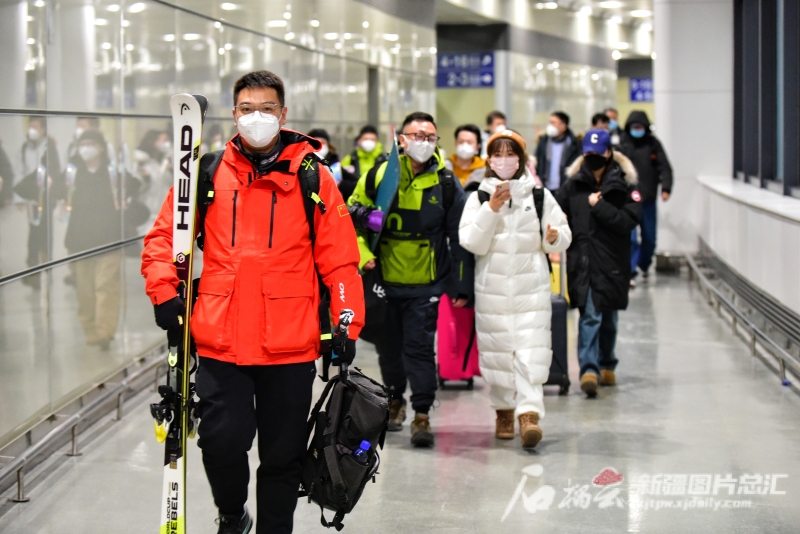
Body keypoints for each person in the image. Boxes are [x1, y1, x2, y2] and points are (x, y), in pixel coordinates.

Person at [141, 70, 365, 534]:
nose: (256, 117)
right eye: (247, 109)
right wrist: (165, 292)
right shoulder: (205, 174)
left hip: (291, 343)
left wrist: (346, 325)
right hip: (221, 340)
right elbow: (165, 237)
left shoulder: (313, 178)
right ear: (234, 113)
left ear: (283, 115)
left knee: (282, 457)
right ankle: (232, 513)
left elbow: (341, 262)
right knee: (220, 444)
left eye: (266, 109)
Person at [347, 111, 474, 448]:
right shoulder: (379, 175)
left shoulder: (446, 183)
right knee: (389, 349)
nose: (423, 142)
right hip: (384, 279)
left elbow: (459, 237)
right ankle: (394, 401)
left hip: (427, 282)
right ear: (401, 139)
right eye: (416, 135)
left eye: (430, 137)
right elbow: (351, 217)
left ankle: (421, 412)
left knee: (418, 348)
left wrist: (461, 285)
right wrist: (363, 255)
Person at [459, 129, 571, 448]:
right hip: (491, 289)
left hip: (531, 289)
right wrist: (491, 209)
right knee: (497, 357)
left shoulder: (538, 195)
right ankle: (504, 410)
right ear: (489, 159)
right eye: (498, 154)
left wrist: (553, 238)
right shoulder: (478, 196)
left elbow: (563, 233)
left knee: (531, 352)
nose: (504, 160)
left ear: (521, 160)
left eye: (511, 154)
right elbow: (471, 242)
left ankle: (529, 415)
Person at [557, 129, 641, 398]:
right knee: (590, 315)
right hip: (584, 262)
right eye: (588, 154)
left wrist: (599, 207)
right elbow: (555, 211)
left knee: (609, 318)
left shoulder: (625, 185)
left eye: (598, 154)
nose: (593, 158)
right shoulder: (572, 185)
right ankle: (588, 370)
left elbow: (628, 221)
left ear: (609, 153)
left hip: (613, 262)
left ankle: (607, 363)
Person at [65, 130, 128, 350]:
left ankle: (104, 332)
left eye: (91, 143)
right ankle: (90, 329)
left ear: (101, 147)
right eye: (82, 144)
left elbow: (134, 187)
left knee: (106, 286)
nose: (86, 148)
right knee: (85, 290)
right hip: (79, 241)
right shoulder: (71, 174)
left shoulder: (113, 174)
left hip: (108, 239)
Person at [618, 110, 673, 285]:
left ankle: (644, 264)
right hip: (628, 200)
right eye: (634, 127)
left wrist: (666, 188)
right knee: (631, 238)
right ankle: (631, 270)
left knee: (649, 238)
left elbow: (665, 167)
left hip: (648, 199)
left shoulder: (653, 144)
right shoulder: (623, 144)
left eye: (640, 127)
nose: (637, 130)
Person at [15, 116, 62, 289]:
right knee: (33, 231)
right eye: (30, 126)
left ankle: (45, 265)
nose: (31, 130)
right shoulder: (25, 147)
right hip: (31, 197)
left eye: (35, 126)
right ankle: (33, 269)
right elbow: (20, 171)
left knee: (45, 231)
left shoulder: (49, 147)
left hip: (46, 196)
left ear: (43, 129)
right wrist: (20, 197)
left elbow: (56, 170)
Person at [535, 111, 580, 192]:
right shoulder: (543, 142)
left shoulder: (574, 145)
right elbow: (538, 164)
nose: (550, 126)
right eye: (549, 122)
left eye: (553, 123)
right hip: (545, 187)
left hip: (565, 189)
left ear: (564, 126)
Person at [340, 125, 385, 200]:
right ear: (359, 140)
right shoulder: (350, 159)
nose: (369, 142)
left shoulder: (383, 160)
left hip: (377, 200)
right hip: (353, 200)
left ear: (377, 142)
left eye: (372, 139)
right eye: (366, 139)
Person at [444, 123, 485, 189]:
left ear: (478, 146)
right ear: (455, 143)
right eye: (461, 141)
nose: (464, 145)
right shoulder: (444, 166)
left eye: (469, 142)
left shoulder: (484, 171)